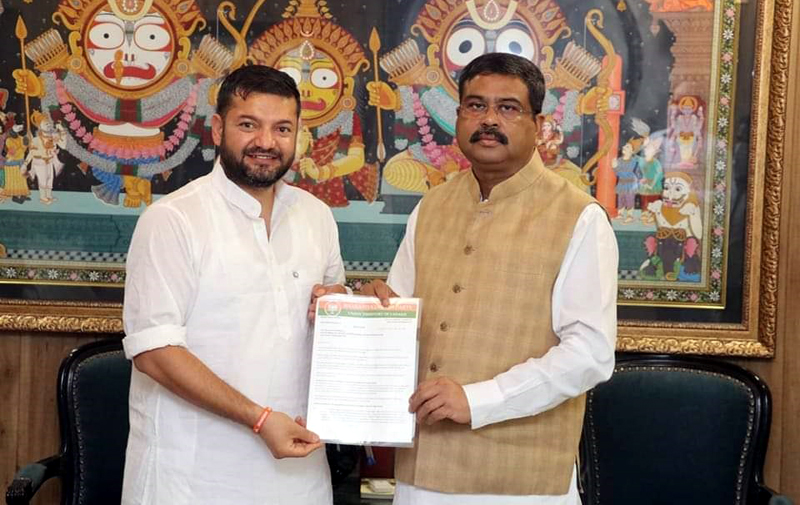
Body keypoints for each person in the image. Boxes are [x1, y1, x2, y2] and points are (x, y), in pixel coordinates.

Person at [363, 53, 618, 505]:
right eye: (475, 106)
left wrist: (479, 400)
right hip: (421, 475)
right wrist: (365, 309)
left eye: (508, 108)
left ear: (538, 125)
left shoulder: (578, 217)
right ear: (458, 116)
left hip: (519, 483)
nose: (489, 120)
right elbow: (400, 323)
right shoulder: (430, 207)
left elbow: (590, 354)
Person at [121, 65, 347, 505]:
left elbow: (331, 321)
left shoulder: (317, 216)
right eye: (249, 125)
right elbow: (155, 353)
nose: (266, 142)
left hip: (298, 476)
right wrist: (259, 419)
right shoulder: (173, 219)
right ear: (219, 128)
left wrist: (342, 311)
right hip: (192, 479)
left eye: (282, 128)